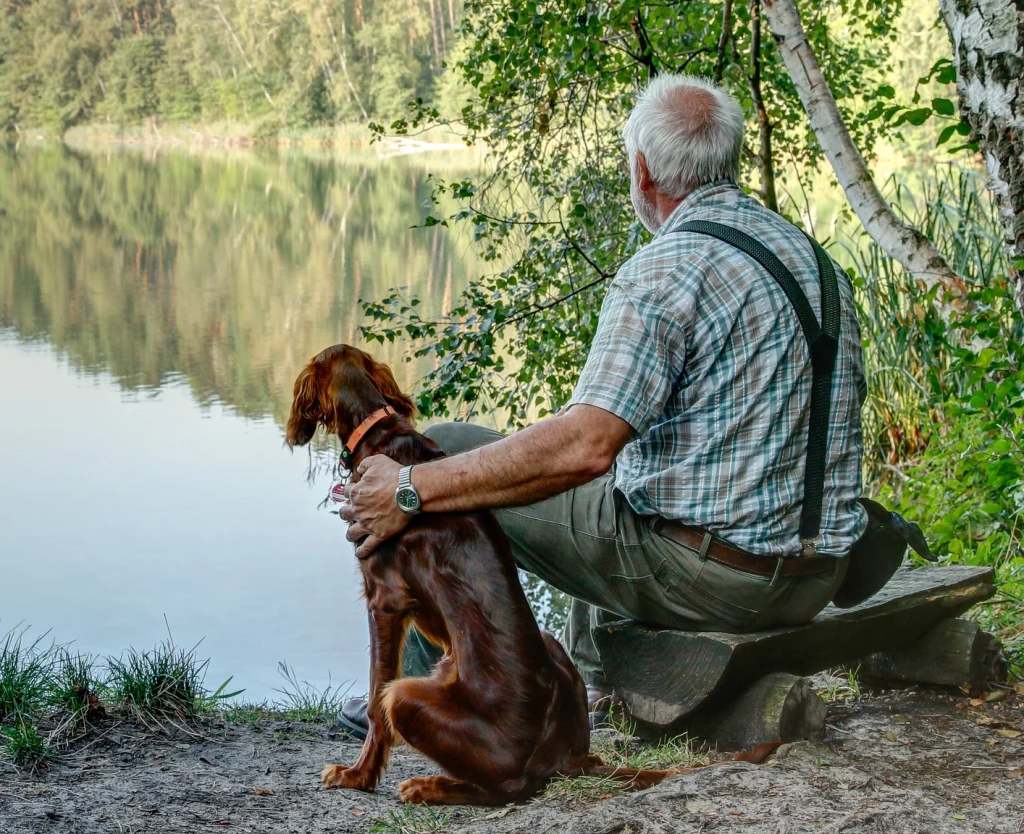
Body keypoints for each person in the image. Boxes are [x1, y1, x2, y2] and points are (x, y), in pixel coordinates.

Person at [336, 73, 867, 733]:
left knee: (437, 453)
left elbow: (586, 448)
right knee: (615, 482)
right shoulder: (817, 262)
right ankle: (587, 683)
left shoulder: (667, 267)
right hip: (817, 577)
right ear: (723, 163)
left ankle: (431, 699)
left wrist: (411, 487)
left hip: (722, 584)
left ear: (642, 172)